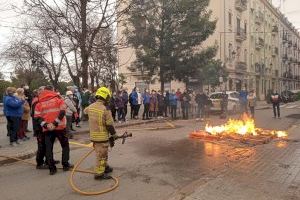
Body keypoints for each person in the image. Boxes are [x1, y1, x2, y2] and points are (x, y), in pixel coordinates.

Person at [34, 85, 72, 175]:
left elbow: (37, 118)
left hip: (47, 130)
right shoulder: (59, 99)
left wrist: (47, 125)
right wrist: (55, 123)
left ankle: (52, 169)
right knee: (65, 146)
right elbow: (62, 112)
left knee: (48, 148)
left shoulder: (39, 102)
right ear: (53, 90)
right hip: (60, 128)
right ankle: (65, 165)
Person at [84, 86, 117, 180]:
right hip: (102, 137)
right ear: (106, 97)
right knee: (101, 155)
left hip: (93, 136)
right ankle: (99, 174)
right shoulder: (105, 109)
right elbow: (110, 125)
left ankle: (105, 167)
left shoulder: (90, 106)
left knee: (103, 153)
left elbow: (85, 112)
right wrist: (114, 135)